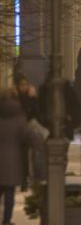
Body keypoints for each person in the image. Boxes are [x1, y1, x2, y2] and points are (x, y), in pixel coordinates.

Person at [0, 88, 40, 225]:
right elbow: (28, 137)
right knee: (9, 192)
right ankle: (6, 220)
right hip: (12, 161)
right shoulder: (19, 117)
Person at [13, 74, 46, 190]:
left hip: (29, 131)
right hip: (18, 132)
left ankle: (30, 180)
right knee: (22, 157)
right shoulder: (14, 98)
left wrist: (34, 98)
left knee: (33, 156)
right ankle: (23, 181)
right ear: (17, 86)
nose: (24, 87)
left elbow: (37, 113)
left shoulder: (30, 97)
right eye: (22, 85)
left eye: (26, 84)